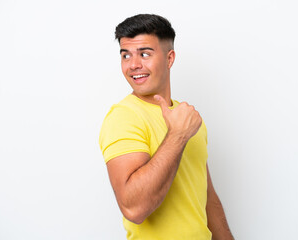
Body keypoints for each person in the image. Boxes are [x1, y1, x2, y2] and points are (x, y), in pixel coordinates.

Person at [99, 14, 234, 240]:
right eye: (126, 55)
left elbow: (207, 198)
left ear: (169, 58)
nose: (133, 65)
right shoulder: (124, 116)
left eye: (144, 54)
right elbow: (134, 208)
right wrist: (178, 136)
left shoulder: (186, 117)